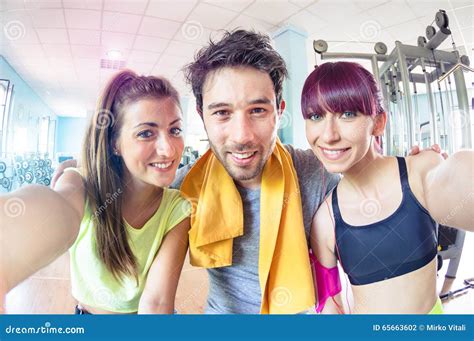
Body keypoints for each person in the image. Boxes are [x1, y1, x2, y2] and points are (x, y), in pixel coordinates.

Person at [48, 30, 438, 315]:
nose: (242, 135)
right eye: (222, 113)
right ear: (201, 116)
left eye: (258, 110)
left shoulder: (313, 172)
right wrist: (73, 173)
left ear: (279, 111)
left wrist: (412, 169)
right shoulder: (183, 191)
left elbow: (362, 170)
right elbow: (125, 181)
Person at [0, 70, 190, 314]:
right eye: (145, 133)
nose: (168, 149)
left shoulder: (178, 208)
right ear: (115, 144)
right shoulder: (80, 185)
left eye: (175, 130)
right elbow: (59, 210)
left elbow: (157, 303)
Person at [302, 61, 473, 314]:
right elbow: (331, 305)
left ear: (379, 122)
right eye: (316, 116)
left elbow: (460, 178)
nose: (328, 136)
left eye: (348, 114)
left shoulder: (421, 169)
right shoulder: (324, 222)